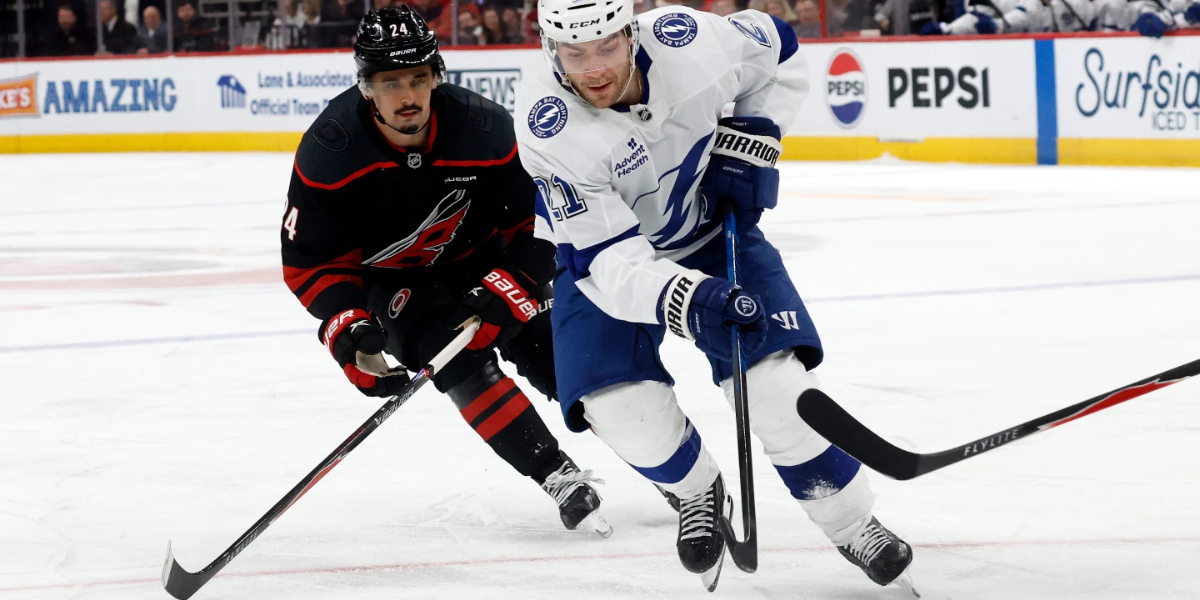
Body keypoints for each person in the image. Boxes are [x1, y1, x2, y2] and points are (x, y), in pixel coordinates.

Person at [515, 0, 916, 591]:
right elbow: (611, 261)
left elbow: (779, 48)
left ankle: (852, 522)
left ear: (631, 32)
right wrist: (690, 298)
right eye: (575, 54)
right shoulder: (548, 123)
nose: (594, 68)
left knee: (776, 387)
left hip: (708, 230)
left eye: (607, 47)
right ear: (552, 48)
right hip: (607, 262)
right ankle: (697, 491)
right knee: (618, 408)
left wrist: (754, 133)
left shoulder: (690, 40)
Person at [281, 6, 610, 537]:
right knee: (449, 352)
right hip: (392, 282)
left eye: (417, 78)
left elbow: (548, 216)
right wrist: (347, 327)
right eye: (391, 83)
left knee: (550, 348)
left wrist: (521, 277)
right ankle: (556, 474)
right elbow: (310, 262)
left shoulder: (484, 129)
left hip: (483, 256)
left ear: (436, 76)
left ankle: (660, 462)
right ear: (365, 87)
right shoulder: (329, 152)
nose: (407, 96)